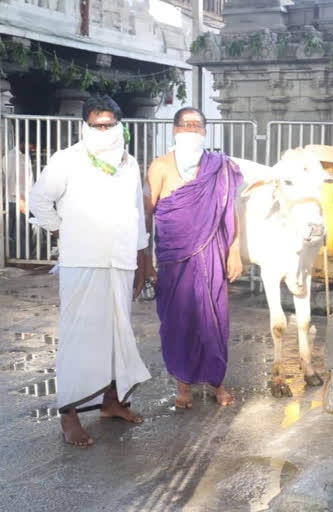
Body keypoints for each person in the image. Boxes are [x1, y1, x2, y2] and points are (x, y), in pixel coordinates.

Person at [28, 94, 150, 447]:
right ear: (85, 125)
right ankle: (69, 413)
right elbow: (39, 200)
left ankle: (112, 403)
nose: (103, 131)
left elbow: (137, 214)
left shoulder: (129, 164)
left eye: (109, 124)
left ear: (119, 125)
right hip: (82, 261)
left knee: (118, 336)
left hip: (121, 261)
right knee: (79, 338)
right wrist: (60, 230)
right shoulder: (67, 160)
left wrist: (142, 259)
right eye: (96, 125)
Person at [145, 107, 243, 409]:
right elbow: (147, 215)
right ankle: (183, 385)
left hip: (213, 255)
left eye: (197, 126)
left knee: (214, 319)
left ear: (204, 132)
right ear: (175, 131)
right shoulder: (160, 166)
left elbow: (230, 210)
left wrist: (235, 250)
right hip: (174, 260)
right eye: (185, 125)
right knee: (179, 322)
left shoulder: (219, 167)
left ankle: (217, 382)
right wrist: (145, 261)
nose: (191, 130)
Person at [2, 138, 33, 258]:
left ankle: (23, 258)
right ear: (22, 143)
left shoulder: (22, 156)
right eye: (30, 144)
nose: (31, 148)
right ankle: (19, 258)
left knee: (23, 232)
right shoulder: (11, 157)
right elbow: (11, 181)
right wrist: (21, 201)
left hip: (23, 199)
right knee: (20, 232)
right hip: (16, 201)